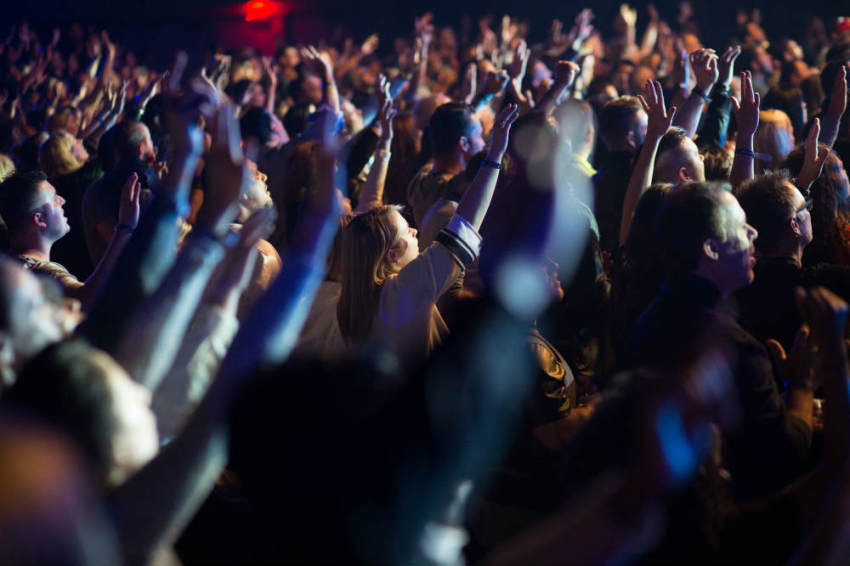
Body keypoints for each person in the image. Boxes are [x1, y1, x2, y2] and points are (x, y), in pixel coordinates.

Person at [629, 182, 814, 498]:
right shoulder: (734, 347)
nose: (753, 233)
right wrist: (802, 384)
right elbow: (785, 457)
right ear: (711, 249)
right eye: (741, 227)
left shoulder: (650, 317)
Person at [338, 104, 518, 364]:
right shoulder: (402, 291)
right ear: (391, 255)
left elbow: (368, 205)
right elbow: (464, 226)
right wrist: (494, 157)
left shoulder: (353, 301)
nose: (415, 230)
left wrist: (385, 144)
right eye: (407, 232)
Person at [0, 170, 140, 309]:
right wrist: (125, 227)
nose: (62, 200)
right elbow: (86, 298)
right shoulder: (39, 271)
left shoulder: (9, 265)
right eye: (54, 199)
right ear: (39, 219)